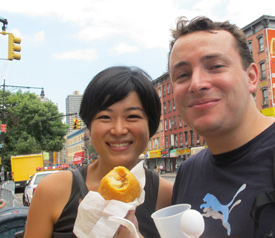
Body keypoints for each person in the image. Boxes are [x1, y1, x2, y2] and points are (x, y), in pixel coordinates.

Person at [23, 66, 173, 238]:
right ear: (89, 125)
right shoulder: (52, 190)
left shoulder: (168, 195)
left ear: (150, 124)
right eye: (105, 117)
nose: (118, 130)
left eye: (132, 116)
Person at [169, 16, 275, 237]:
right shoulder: (187, 172)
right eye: (182, 75)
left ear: (252, 77)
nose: (196, 84)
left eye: (215, 66)